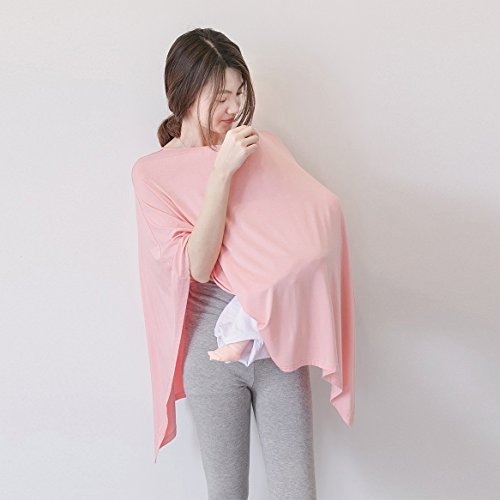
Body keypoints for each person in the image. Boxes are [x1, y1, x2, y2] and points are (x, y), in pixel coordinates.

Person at [155, 27, 317, 499]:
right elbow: (198, 266)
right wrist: (222, 171)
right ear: (185, 93)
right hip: (211, 356)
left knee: (298, 492)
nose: (233, 107)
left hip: (276, 342)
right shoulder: (154, 173)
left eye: (239, 93)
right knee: (227, 494)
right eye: (221, 96)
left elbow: (299, 234)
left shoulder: (260, 149)